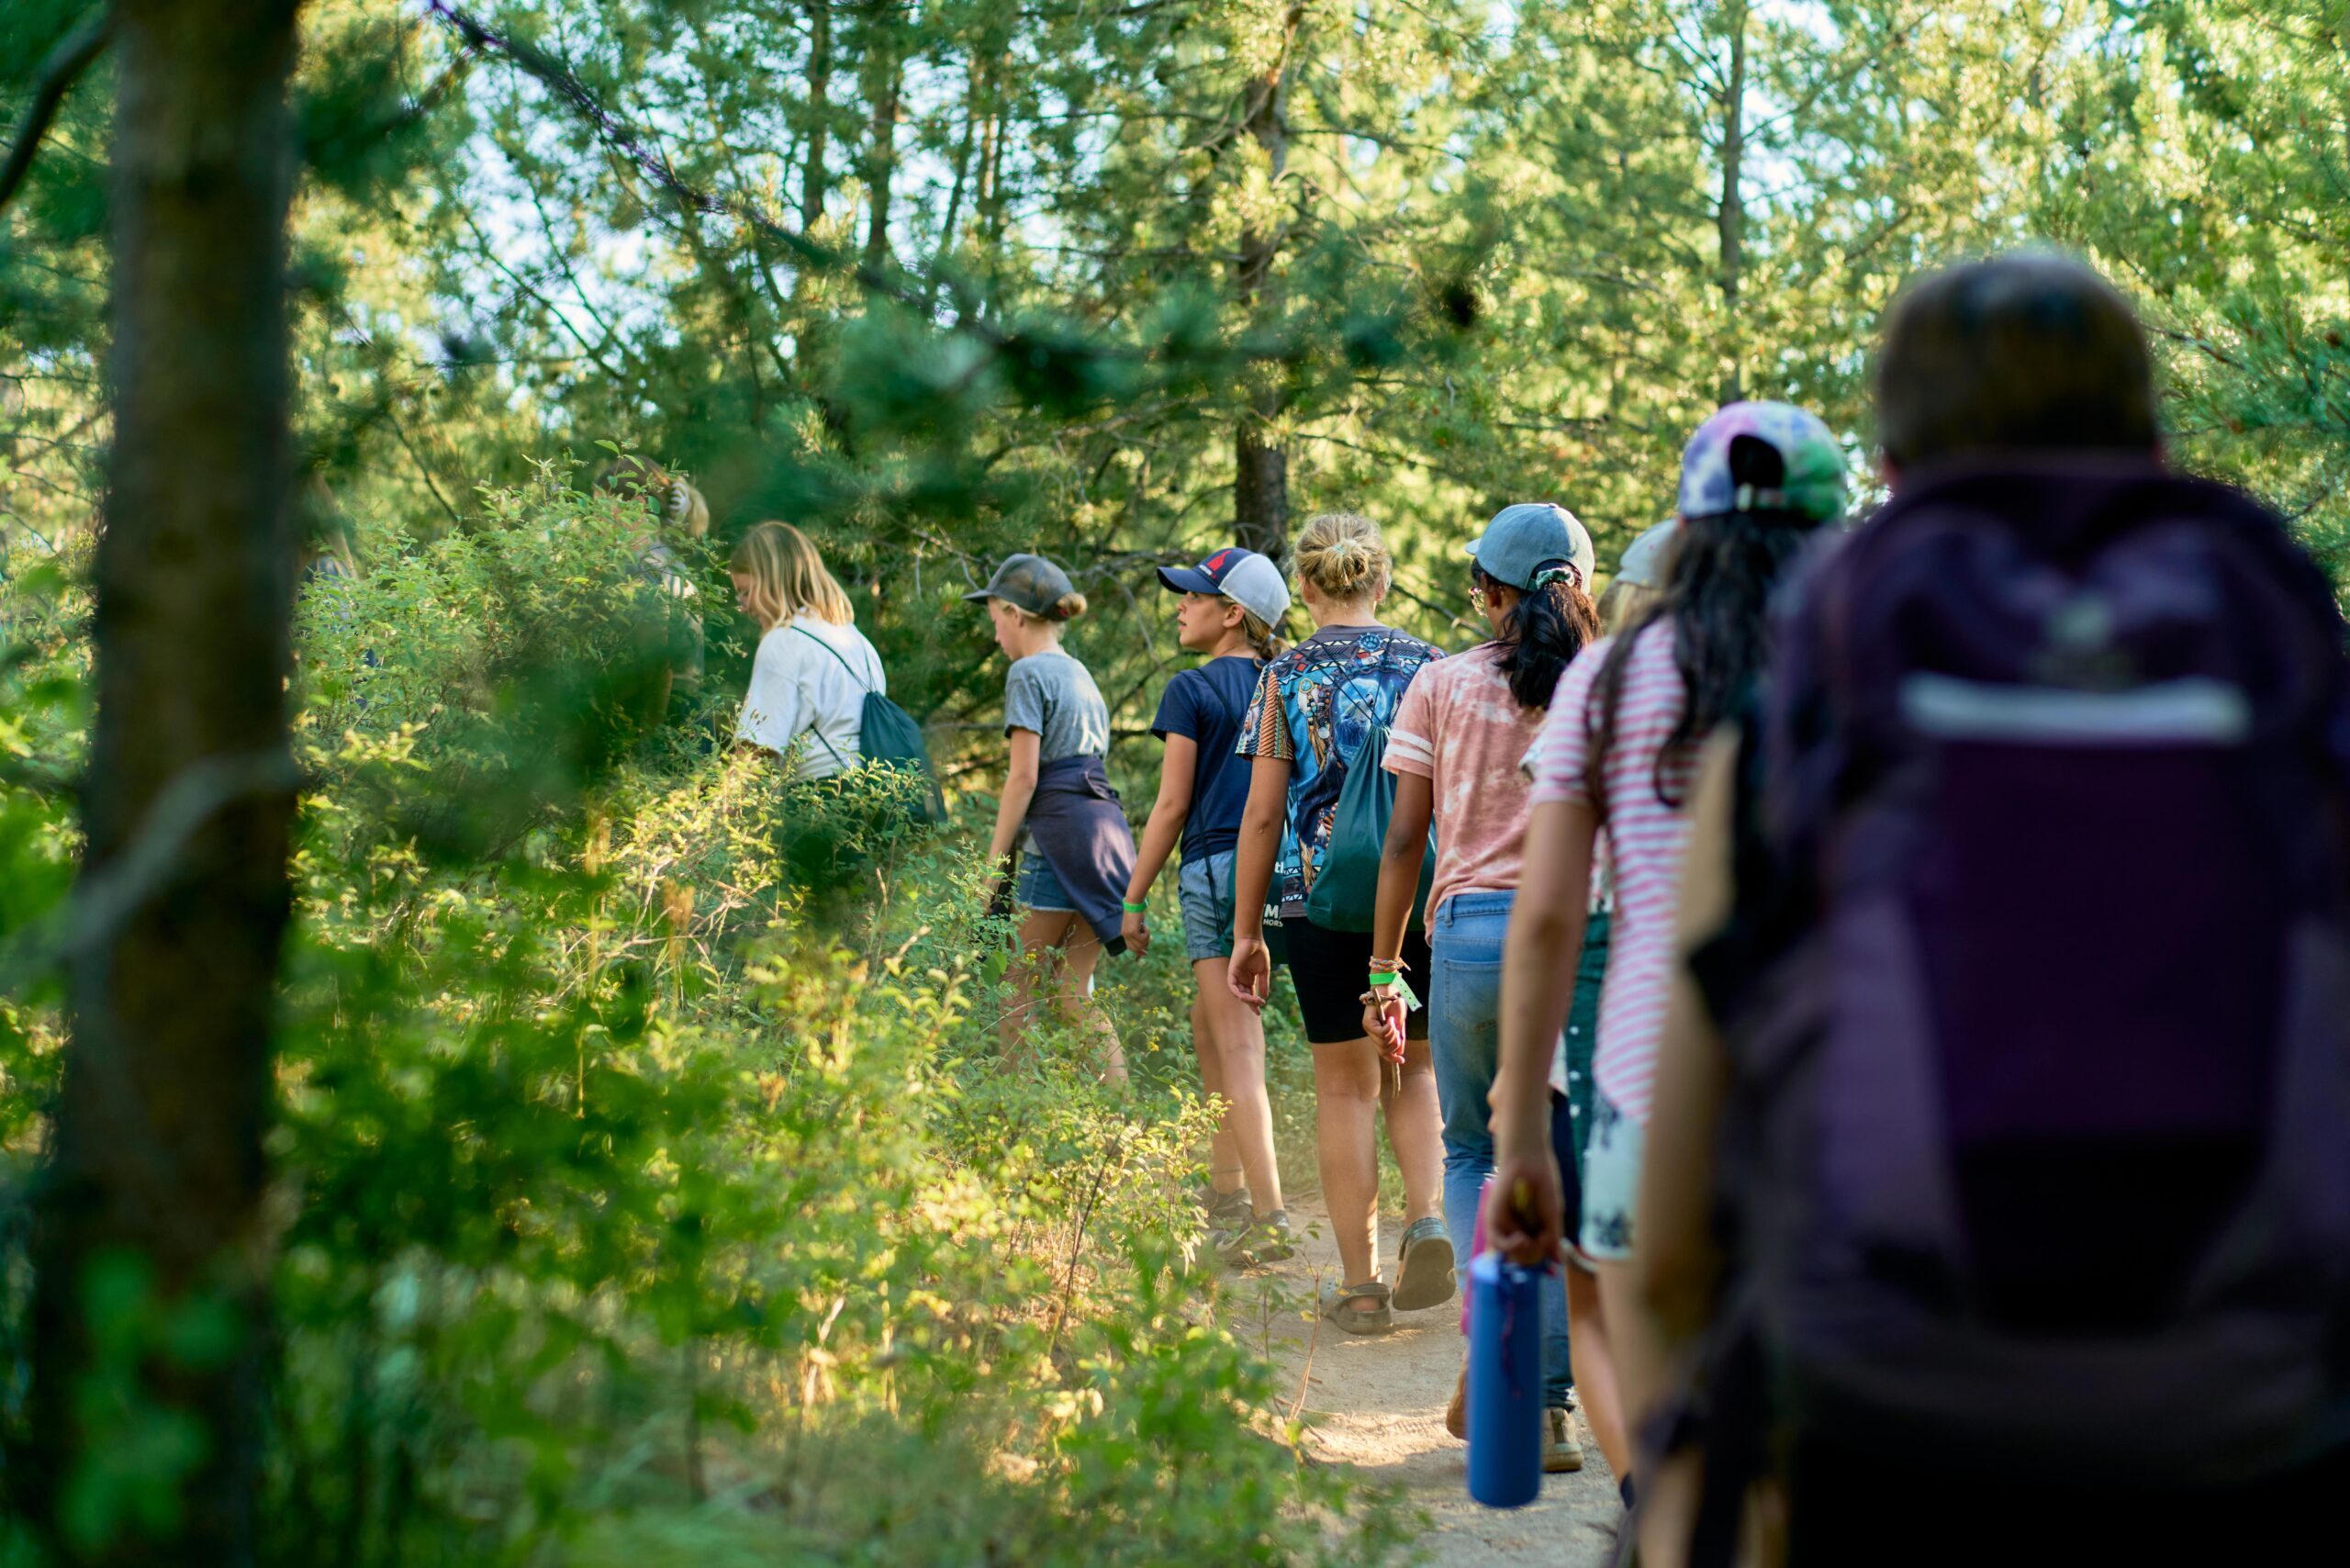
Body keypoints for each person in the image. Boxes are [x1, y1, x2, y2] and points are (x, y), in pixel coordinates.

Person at [1624, 255, 2350, 1566]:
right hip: (2252, 1417)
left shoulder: (1813, 704)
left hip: (1894, 1419)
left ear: (1893, 466)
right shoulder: (2279, 666)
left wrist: (1714, 1443)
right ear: (2154, 442)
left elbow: (1675, 1239)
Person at [1483, 402, 1848, 1521]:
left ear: (1686, 530)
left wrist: (1520, 1134)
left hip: (1648, 1098)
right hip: (1839, 1110)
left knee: (1677, 1466)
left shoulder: (1615, 676)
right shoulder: (1869, 662)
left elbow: (1544, 921)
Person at [1366, 502, 1602, 1469]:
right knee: (1558, 1165)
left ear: (1491, 591)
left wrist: (1384, 966)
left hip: (1466, 940)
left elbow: (1402, 840)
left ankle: (1502, 1357)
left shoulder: (1441, 684)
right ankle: (1548, 1405)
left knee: (1472, 1154)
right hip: (1585, 940)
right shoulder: (1607, 682)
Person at [1228, 513, 1451, 1334]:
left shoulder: (1284, 675)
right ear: (1381, 583)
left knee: (1344, 1088)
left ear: (1310, 589)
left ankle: (1360, 1288)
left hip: (1316, 903)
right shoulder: (1431, 665)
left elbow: (1260, 817)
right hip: (1420, 896)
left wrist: (1247, 932)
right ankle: (1426, 1216)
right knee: (1418, 1072)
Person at [1121, 547, 1297, 1264]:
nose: (1179, 606)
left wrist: (1132, 898)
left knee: (1236, 1043)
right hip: (1281, 871)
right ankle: (1225, 1194)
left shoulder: (1191, 692)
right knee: (1210, 1024)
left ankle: (1272, 1214)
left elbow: (1170, 807)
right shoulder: (1283, 683)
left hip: (1219, 871)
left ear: (1233, 616)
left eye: (1193, 597)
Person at [969, 553, 1136, 1082]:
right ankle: (1120, 1119)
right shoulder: (1080, 674)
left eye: (996, 620)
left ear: (1016, 614)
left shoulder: (1027, 673)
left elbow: (1024, 777)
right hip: (1104, 841)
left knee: (1013, 987)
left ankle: (1014, 1121)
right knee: (1072, 991)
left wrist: (993, 865)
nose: (996, 635)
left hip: (1056, 844)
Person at [729, 521, 886, 779]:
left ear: (772, 581)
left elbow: (755, 755)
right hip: (876, 796)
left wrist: (712, 816)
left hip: (823, 796)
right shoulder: (856, 640)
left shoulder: (784, 641)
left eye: (746, 592)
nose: (743, 606)